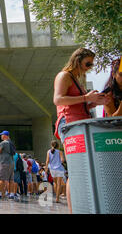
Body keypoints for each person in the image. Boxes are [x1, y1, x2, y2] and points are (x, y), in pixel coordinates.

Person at [53, 47, 109, 213]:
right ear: (78, 59)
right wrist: (86, 97)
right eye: (88, 63)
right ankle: (73, 209)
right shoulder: (64, 76)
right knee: (75, 169)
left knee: (80, 167)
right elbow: (58, 99)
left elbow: (77, 103)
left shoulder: (76, 79)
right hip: (70, 123)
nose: (90, 67)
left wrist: (93, 102)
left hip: (79, 124)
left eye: (92, 64)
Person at [0, 130, 15, 200]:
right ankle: (12, 194)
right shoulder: (11, 142)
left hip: (4, 162)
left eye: (2, 135)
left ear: (5, 135)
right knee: (11, 179)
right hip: (11, 162)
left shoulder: (3, 143)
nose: (1, 136)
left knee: (1, 179)